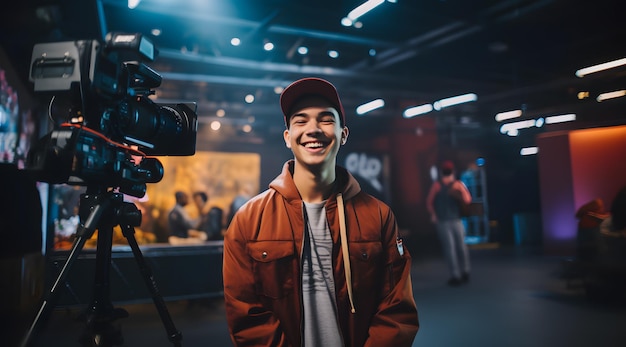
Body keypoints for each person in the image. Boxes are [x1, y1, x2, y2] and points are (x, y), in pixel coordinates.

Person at [223, 77, 419, 346]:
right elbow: (247, 318)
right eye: (300, 121)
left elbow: (396, 311)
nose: (313, 129)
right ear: (287, 137)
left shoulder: (379, 216)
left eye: (326, 119)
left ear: (343, 134)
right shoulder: (248, 220)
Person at [426, 160, 473, 286]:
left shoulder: (438, 185)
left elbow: (429, 202)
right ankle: (464, 271)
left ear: (442, 172)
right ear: (453, 171)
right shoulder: (457, 184)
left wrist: (434, 214)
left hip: (445, 220)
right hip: (454, 220)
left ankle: (456, 275)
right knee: (460, 247)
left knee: (451, 249)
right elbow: (468, 200)